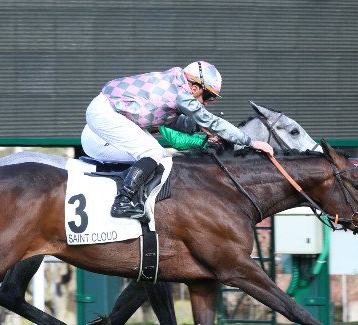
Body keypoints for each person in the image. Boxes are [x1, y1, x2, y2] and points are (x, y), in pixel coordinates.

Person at [81, 61, 274, 219]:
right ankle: (122, 201)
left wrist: (200, 128)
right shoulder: (181, 94)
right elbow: (212, 121)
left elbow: (173, 121)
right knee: (152, 153)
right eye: (207, 96)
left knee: (162, 158)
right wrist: (251, 142)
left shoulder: (175, 83)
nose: (208, 102)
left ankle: (140, 201)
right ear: (194, 87)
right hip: (104, 115)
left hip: (107, 112)